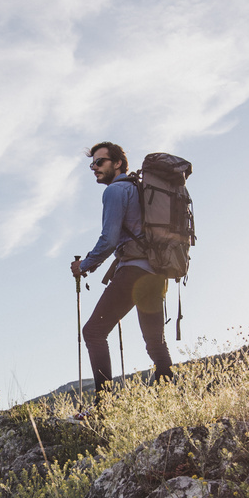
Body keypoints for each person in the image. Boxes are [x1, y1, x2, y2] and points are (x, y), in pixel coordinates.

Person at [70, 141, 173, 400]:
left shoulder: (115, 191)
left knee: (93, 332)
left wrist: (83, 265)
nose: (94, 167)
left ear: (117, 163)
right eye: (92, 163)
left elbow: (109, 239)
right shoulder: (140, 190)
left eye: (100, 162)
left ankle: (105, 404)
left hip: (134, 272)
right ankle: (170, 397)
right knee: (155, 340)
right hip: (156, 272)